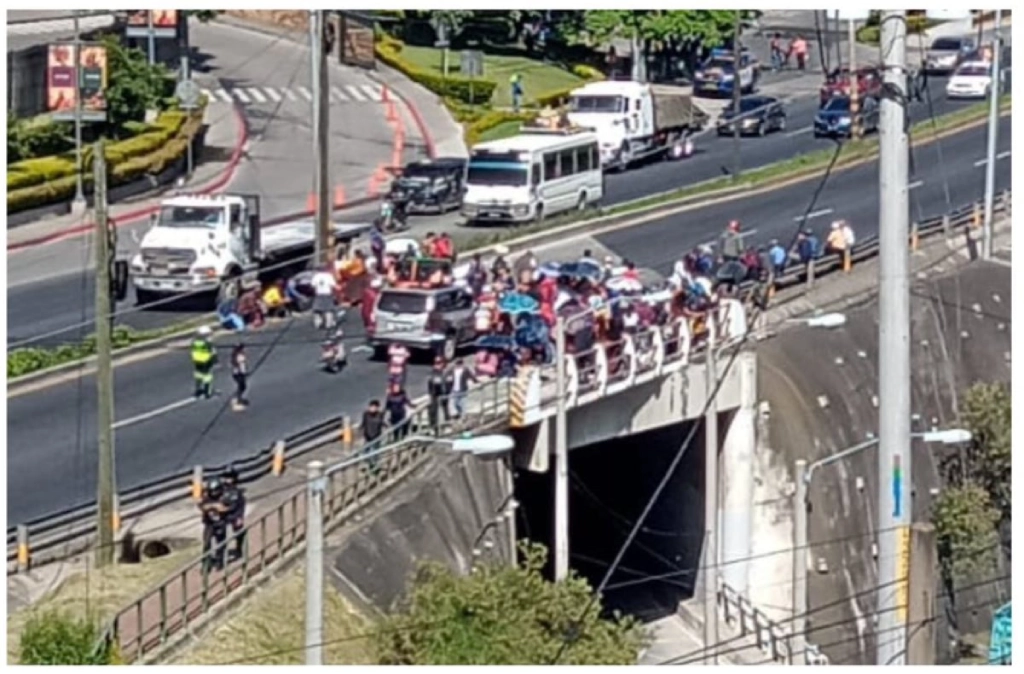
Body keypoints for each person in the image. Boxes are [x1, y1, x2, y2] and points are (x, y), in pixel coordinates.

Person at [199, 477, 229, 571]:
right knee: (207, 544)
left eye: (215, 491)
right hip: (209, 524)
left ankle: (219, 562)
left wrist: (220, 508)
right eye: (211, 491)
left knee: (221, 544)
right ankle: (206, 564)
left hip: (220, 523)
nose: (213, 493)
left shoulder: (224, 496)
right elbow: (202, 506)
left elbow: (226, 508)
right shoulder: (206, 497)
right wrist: (213, 506)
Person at [220, 465, 246, 561]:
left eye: (230, 477)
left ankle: (239, 549)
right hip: (222, 515)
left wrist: (240, 517)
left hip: (234, 514)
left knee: (239, 531)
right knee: (220, 534)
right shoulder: (220, 489)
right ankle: (220, 554)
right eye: (227, 477)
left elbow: (241, 505)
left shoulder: (237, 492)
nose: (228, 479)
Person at [191, 326, 217, 399]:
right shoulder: (208, 343)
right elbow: (213, 352)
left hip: (197, 360)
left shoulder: (195, 342)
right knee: (207, 376)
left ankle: (197, 391)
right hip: (206, 360)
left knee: (198, 375)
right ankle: (207, 393)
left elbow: (193, 351)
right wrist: (215, 361)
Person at [426, 356, 451, 432]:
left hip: (444, 393)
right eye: (436, 363)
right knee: (433, 411)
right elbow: (431, 383)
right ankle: (433, 427)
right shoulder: (433, 373)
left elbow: (450, 382)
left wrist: (448, 390)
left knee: (445, 410)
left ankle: (447, 425)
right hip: (434, 394)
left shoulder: (447, 372)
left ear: (443, 363)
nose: (437, 365)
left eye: (439, 363)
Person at [310, 264, 338, 329]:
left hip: (319, 294)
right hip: (327, 293)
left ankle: (318, 323)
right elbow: (333, 285)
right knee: (328, 309)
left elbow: (313, 286)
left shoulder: (316, 276)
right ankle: (329, 323)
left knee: (317, 310)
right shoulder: (328, 276)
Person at [361, 399, 385, 469]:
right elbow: (363, 423)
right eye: (371, 407)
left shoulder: (380, 415)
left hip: (376, 437)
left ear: (377, 408)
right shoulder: (366, 414)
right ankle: (368, 464)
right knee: (365, 451)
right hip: (367, 436)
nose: (372, 408)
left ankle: (375, 466)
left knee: (375, 452)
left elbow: (382, 423)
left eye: (374, 407)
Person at [230, 343, 249, 410]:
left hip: (239, 373)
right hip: (239, 373)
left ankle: (239, 398)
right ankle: (237, 399)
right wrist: (242, 371)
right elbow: (238, 364)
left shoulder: (237, 354)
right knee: (242, 386)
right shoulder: (239, 355)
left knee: (242, 387)